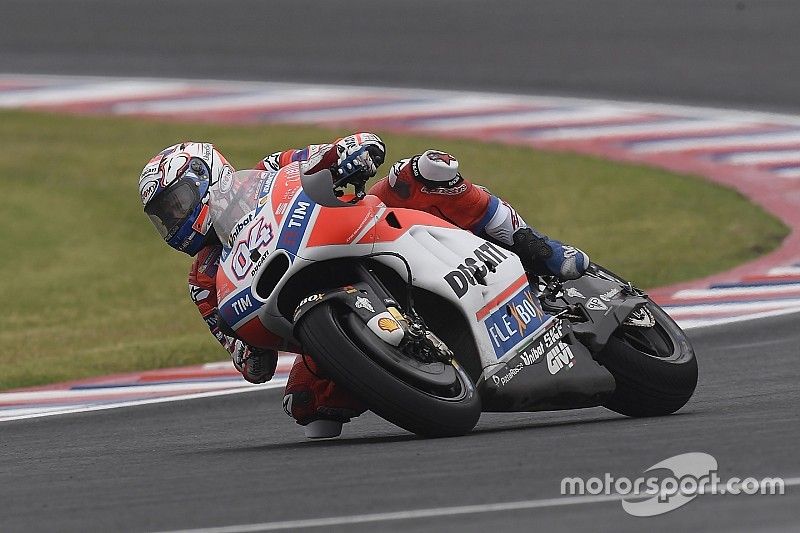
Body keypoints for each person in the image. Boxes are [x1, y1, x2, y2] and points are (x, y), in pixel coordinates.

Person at [137, 133, 589, 438]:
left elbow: (339, 153)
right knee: (304, 406)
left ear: (208, 177)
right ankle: (401, 372)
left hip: (360, 229)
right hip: (307, 294)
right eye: (164, 216)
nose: (174, 221)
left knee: (426, 172)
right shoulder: (203, 279)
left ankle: (536, 247)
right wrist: (244, 348)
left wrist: (355, 153)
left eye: (176, 204)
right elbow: (250, 361)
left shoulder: (270, 170)